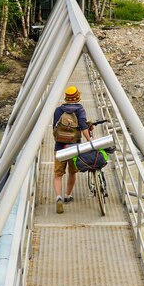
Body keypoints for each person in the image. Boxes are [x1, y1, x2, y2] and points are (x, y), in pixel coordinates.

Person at [53, 86, 92, 214]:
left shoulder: (58, 110)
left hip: (60, 146)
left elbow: (54, 128)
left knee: (58, 174)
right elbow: (83, 126)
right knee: (72, 172)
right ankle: (68, 196)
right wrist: (89, 140)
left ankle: (58, 197)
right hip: (74, 146)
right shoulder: (80, 110)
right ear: (77, 97)